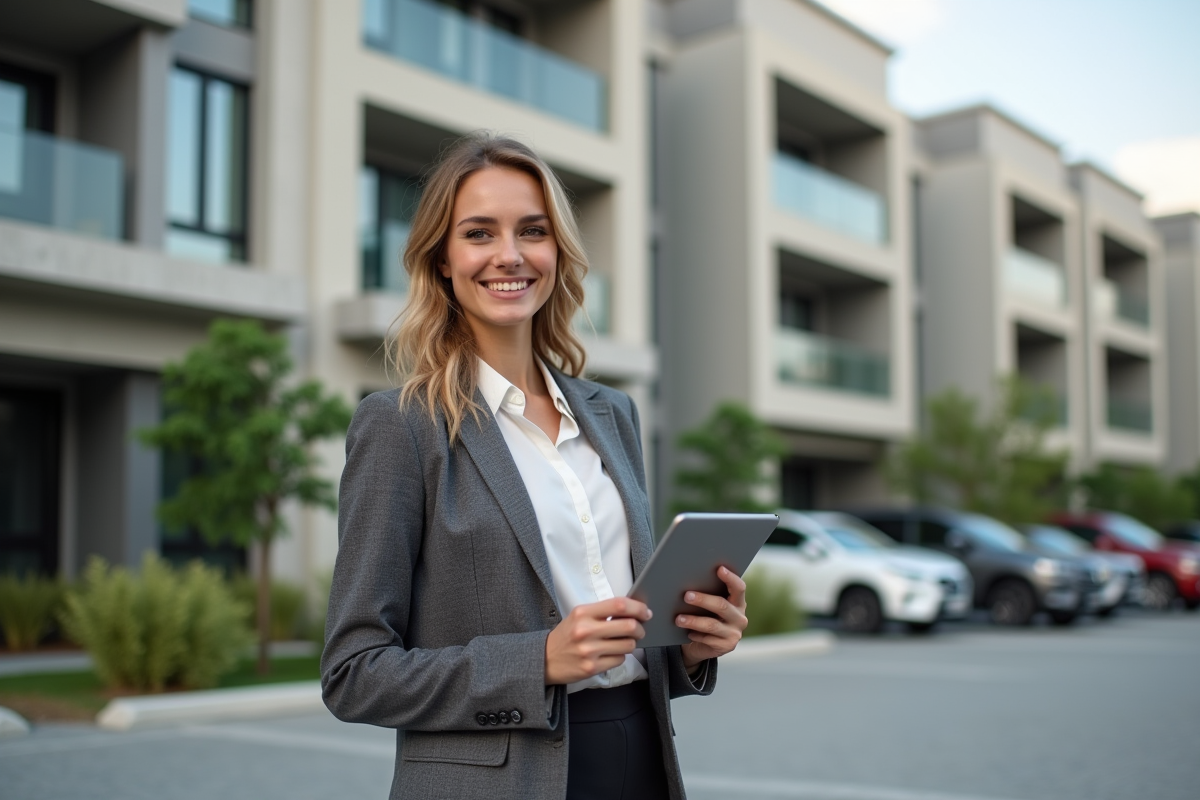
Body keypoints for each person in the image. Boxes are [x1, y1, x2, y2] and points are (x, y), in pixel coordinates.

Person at [321, 132, 749, 800]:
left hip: (640, 760)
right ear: (442, 259)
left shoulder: (613, 415)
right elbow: (353, 673)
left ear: (558, 252)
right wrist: (536, 662)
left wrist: (691, 646)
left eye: (533, 231)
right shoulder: (401, 426)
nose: (510, 255)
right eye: (479, 233)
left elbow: (628, 639)